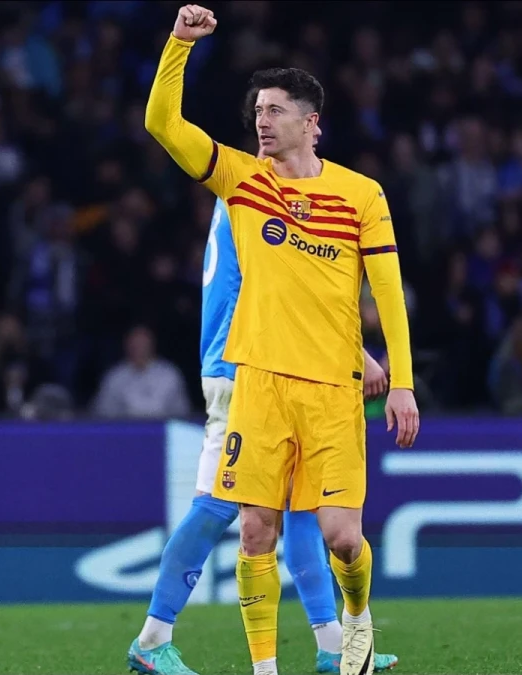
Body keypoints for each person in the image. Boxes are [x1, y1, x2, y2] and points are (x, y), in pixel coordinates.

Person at [146, 6, 420, 675]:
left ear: (311, 120)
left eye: (275, 109)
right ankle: (266, 669)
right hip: (258, 384)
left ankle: (353, 629)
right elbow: (162, 124)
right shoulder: (242, 181)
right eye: (257, 110)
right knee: (253, 531)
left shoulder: (361, 195)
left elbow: (386, 293)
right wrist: (180, 45)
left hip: (332, 389)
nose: (261, 120)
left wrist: (403, 380)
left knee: (342, 538)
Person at [126, 179, 399, 674]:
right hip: (246, 369)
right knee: (219, 504)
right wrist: (359, 354)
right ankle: (153, 634)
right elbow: (281, 292)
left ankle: (332, 642)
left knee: (297, 503)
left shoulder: (233, 193)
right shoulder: (253, 193)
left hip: (258, 367)